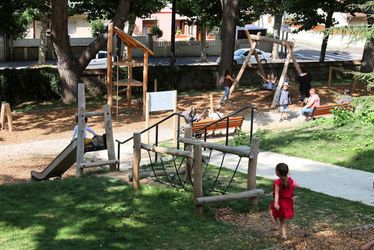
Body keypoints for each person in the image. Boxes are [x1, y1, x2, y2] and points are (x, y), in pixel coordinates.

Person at [269, 163, 297, 240]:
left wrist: (275, 203)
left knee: (271, 211)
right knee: (282, 220)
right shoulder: (290, 180)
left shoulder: (277, 182)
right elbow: (295, 185)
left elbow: (277, 193)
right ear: (287, 172)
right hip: (287, 202)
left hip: (280, 202)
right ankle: (284, 235)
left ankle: (275, 226)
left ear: (277, 172)